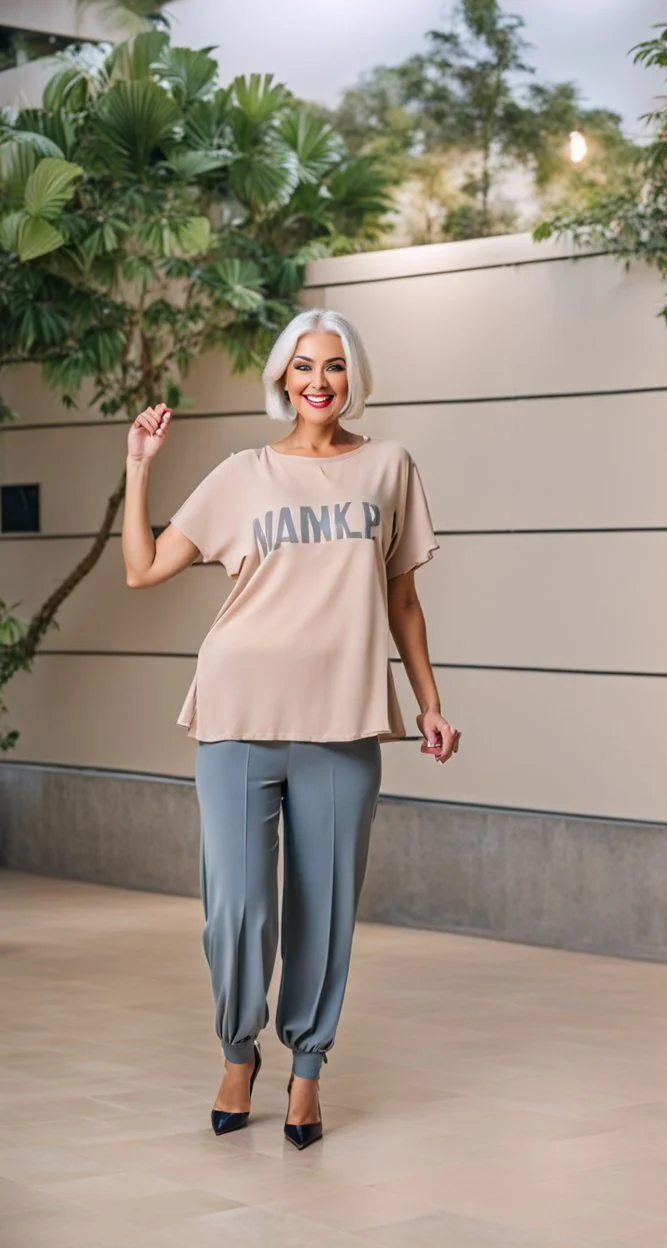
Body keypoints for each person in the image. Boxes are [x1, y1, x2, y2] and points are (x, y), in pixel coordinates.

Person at [121, 308, 461, 1149]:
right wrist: (138, 469)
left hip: (343, 722)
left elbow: (403, 600)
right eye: (303, 365)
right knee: (236, 909)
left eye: (335, 366)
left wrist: (429, 702)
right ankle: (238, 1052)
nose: (318, 379)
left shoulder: (389, 467)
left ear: (354, 378)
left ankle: (307, 1071)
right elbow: (143, 568)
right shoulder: (244, 473)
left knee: (326, 908)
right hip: (237, 712)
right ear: (282, 379)